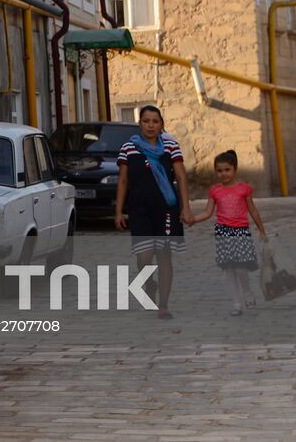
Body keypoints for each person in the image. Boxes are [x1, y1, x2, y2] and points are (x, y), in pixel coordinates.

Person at [114, 105, 192, 320]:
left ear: (161, 124)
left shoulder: (170, 146)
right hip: (139, 209)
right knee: (144, 257)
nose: (150, 125)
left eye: (155, 121)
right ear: (140, 124)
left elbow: (182, 177)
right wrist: (118, 211)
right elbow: (123, 180)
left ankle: (163, 305)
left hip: (166, 208)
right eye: (146, 121)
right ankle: (149, 282)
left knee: (164, 256)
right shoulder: (129, 147)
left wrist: (185, 207)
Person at [189, 149, 267, 316]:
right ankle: (236, 303)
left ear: (234, 169)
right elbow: (208, 212)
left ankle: (246, 292)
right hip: (223, 232)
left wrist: (261, 230)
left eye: (227, 170)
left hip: (240, 231)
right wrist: (194, 219)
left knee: (240, 267)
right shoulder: (214, 191)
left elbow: (253, 211)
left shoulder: (244, 189)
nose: (223, 174)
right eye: (219, 170)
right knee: (229, 269)